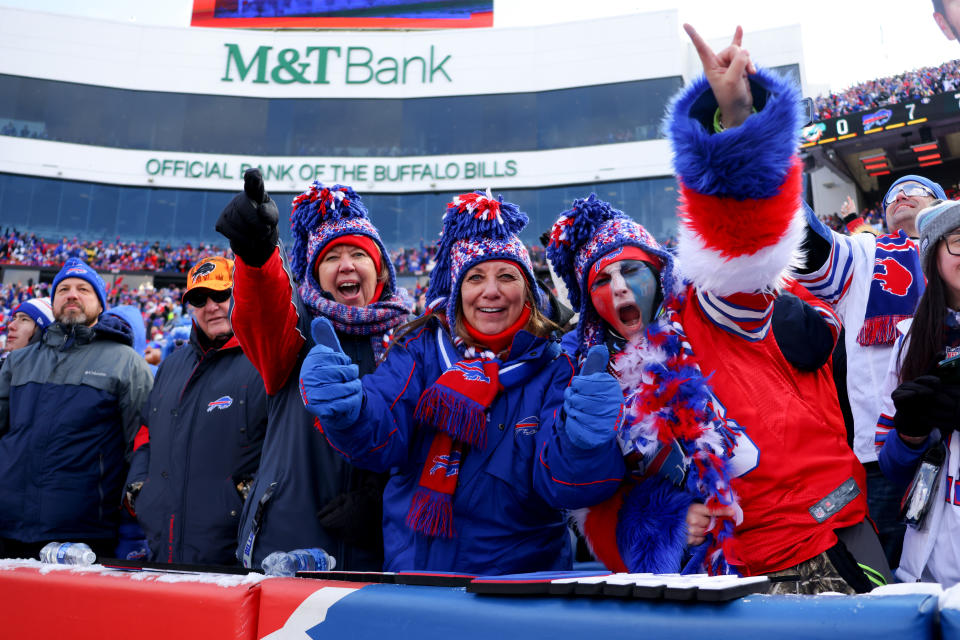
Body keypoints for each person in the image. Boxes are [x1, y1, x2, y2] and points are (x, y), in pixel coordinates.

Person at [548, 24, 889, 594]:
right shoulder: (593, 372)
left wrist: (734, 122)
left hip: (828, 548)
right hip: (719, 582)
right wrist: (660, 526)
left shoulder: (716, 305)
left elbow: (743, 237)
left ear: (659, 268)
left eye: (629, 270)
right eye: (601, 282)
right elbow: (590, 507)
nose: (621, 291)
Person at [298, 190, 626, 573]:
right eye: (475, 277)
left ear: (529, 294)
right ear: (457, 294)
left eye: (507, 276)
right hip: (418, 586)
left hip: (517, 596)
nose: (491, 290)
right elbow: (381, 435)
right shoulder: (419, 351)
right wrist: (349, 411)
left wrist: (585, 444)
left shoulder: (555, 368)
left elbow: (564, 485)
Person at [216, 173, 411, 570]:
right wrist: (257, 257)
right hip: (286, 540)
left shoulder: (411, 341)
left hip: (376, 553)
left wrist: (383, 496)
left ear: (382, 271)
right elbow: (264, 310)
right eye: (330, 258)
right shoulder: (296, 329)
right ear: (315, 275)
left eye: (357, 255)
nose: (345, 266)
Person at [796, 173, 945, 571]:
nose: (901, 196)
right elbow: (808, 243)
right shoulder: (865, 256)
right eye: (893, 194)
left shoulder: (954, 257)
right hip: (884, 455)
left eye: (917, 191)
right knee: (891, 575)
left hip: (956, 451)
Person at [0, 258, 153, 559]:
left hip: (83, 536)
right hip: (8, 525)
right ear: (53, 301)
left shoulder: (126, 363)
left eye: (83, 289)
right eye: (64, 289)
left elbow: (142, 447)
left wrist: (132, 523)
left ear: (100, 303)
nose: (72, 294)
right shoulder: (19, 362)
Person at [123, 257, 268, 565]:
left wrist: (248, 495)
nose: (211, 306)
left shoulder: (265, 357)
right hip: (165, 545)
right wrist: (139, 489)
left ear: (240, 294)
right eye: (200, 299)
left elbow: (283, 441)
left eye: (221, 295)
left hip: (237, 553)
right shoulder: (172, 364)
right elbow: (146, 431)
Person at [878, 199, 960, 586]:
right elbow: (892, 468)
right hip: (930, 555)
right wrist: (909, 434)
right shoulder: (910, 342)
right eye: (958, 240)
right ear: (932, 257)